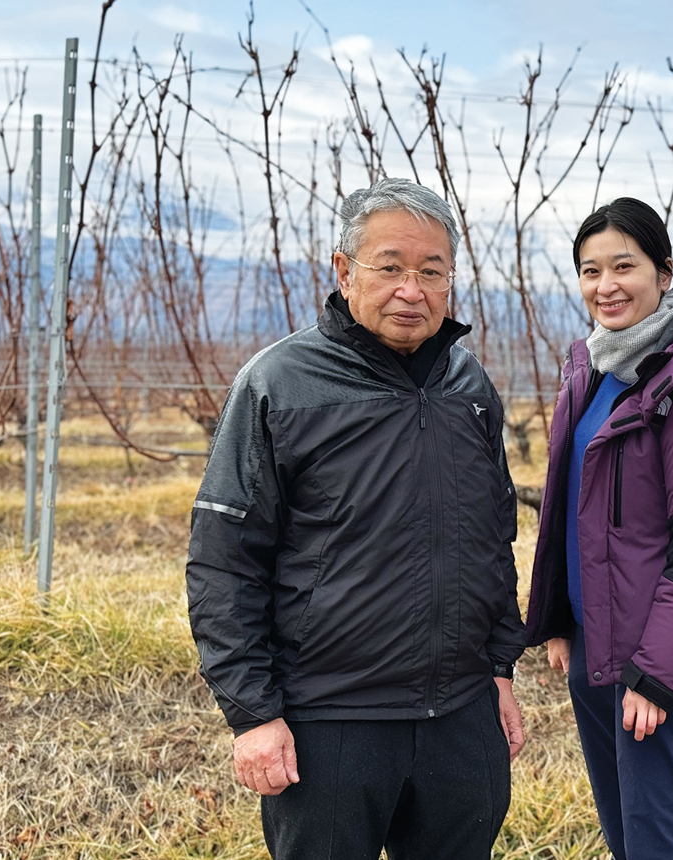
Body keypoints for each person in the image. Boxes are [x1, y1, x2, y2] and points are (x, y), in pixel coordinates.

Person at [186, 178, 525, 860]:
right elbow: (225, 561)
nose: (412, 291)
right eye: (390, 267)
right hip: (329, 721)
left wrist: (498, 669)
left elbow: (494, 538)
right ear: (344, 271)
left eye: (432, 272)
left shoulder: (469, 387)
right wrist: (254, 714)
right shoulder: (279, 384)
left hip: (461, 719)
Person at [525, 197, 673, 860]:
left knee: (658, 842)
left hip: (662, 659)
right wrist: (560, 618)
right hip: (597, 643)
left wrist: (658, 673)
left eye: (623, 266)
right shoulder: (597, 374)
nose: (606, 285)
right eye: (590, 270)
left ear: (664, 273)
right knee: (626, 838)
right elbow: (576, 509)